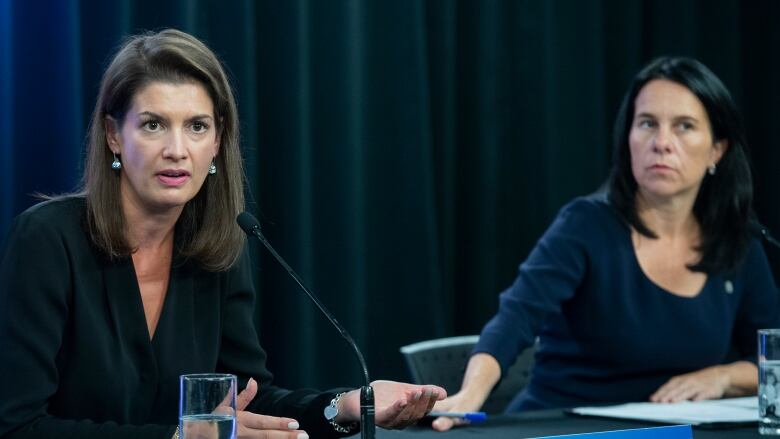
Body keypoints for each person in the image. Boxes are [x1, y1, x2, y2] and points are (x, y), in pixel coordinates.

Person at [0, 29, 444, 439]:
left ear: (216, 143)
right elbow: (17, 425)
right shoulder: (47, 240)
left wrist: (346, 405)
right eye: (153, 124)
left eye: (197, 126)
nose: (177, 149)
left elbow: (249, 400)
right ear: (114, 134)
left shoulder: (215, 250)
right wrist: (180, 437)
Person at [431, 56, 780, 431]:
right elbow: (515, 317)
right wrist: (470, 394)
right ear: (627, 137)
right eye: (647, 123)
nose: (662, 143)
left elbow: (774, 349)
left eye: (684, 126)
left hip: (673, 432)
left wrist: (723, 377)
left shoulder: (738, 240)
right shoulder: (586, 225)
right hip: (565, 427)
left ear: (717, 150)